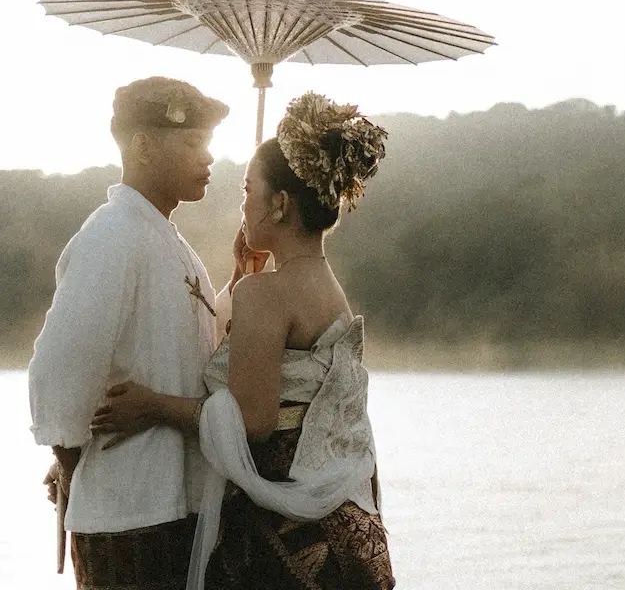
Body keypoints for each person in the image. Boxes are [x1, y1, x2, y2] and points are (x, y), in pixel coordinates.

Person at [92, 92, 395, 590]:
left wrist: (152, 406)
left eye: (248, 189)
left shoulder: (264, 294)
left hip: (284, 539)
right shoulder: (328, 289)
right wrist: (240, 277)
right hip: (344, 528)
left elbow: (252, 422)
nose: (243, 205)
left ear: (279, 204)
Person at [29, 76, 231, 590]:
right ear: (142, 146)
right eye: (192, 142)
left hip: (175, 509)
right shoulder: (112, 234)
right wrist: (70, 462)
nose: (208, 157)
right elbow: (60, 369)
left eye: (207, 143)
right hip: (127, 516)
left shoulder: (166, 239)